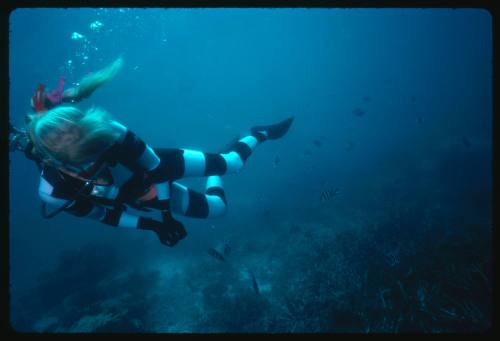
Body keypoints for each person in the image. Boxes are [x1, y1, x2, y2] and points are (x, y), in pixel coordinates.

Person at [23, 105, 294, 247]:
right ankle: (214, 178)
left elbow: (155, 167)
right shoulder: (53, 192)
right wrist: (154, 226)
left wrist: (165, 213)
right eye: (83, 164)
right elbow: (104, 215)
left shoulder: (108, 129)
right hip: (136, 193)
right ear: (53, 162)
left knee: (233, 163)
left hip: (154, 166)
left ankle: (259, 133)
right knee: (219, 209)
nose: (95, 165)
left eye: (98, 152)